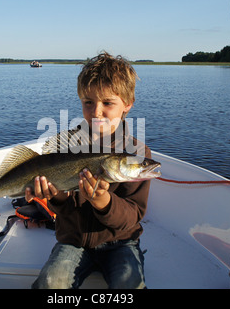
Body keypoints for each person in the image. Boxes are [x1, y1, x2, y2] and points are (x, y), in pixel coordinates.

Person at [27, 52, 151, 289]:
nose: (96, 112)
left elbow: (132, 215)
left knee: (130, 284)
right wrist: (56, 195)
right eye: (88, 102)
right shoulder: (68, 144)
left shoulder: (137, 153)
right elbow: (62, 207)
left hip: (121, 242)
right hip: (73, 240)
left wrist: (104, 202)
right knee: (51, 284)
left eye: (107, 103)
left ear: (127, 103)